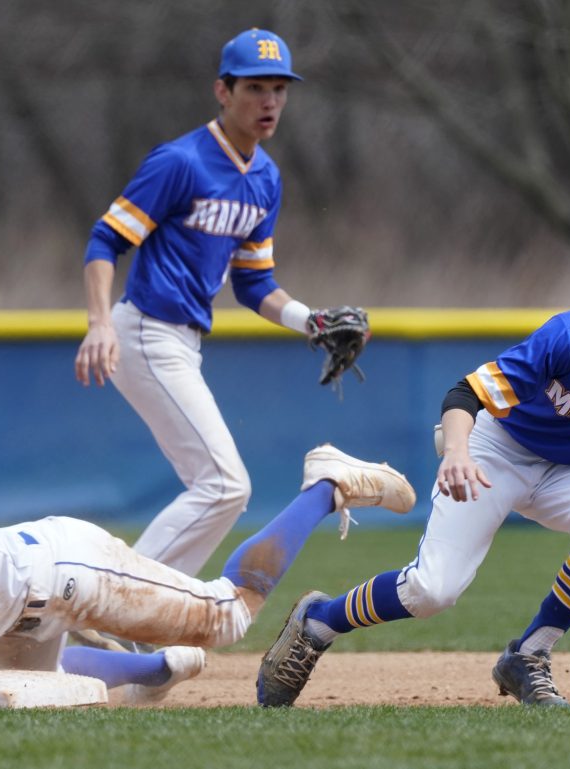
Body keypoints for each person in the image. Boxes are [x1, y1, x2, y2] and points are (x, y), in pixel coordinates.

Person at [257, 213, 570, 708]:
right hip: (496, 450)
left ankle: (528, 655)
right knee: (432, 592)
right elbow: (466, 393)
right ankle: (317, 623)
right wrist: (458, 453)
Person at [0, 423, 414, 708]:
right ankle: (155, 668)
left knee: (227, 616)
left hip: (67, 569)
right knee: (33, 690)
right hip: (16, 622)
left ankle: (323, 486)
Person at [73, 28, 359, 578]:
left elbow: (254, 283)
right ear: (222, 92)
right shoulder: (180, 161)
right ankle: (117, 597)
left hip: (180, 342)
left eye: (279, 88)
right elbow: (105, 239)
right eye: (255, 87)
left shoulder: (266, 179)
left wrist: (310, 321)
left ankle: (130, 603)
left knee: (220, 488)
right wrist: (99, 322)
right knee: (225, 485)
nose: (269, 101)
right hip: (145, 331)